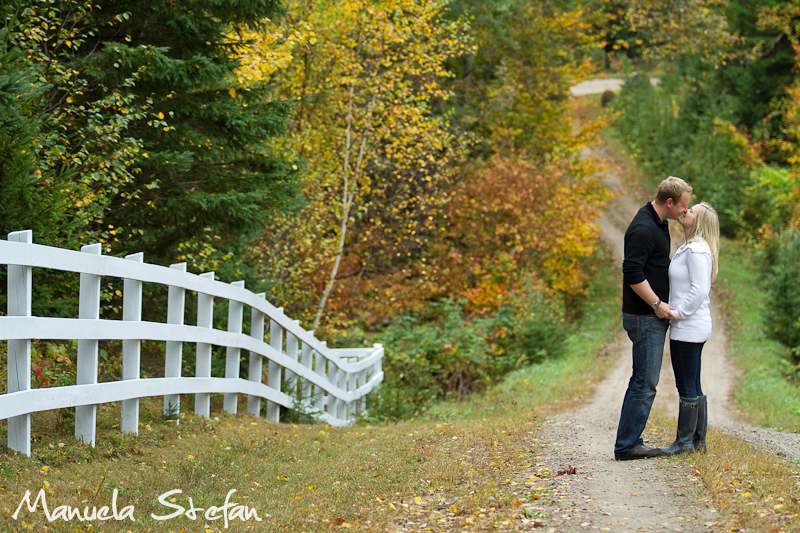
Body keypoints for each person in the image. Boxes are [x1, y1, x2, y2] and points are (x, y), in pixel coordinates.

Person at [614, 176, 692, 461]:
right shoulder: (644, 228)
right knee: (645, 381)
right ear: (669, 202)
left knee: (643, 379)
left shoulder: (657, 222)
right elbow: (632, 272)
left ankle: (630, 440)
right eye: (683, 205)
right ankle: (627, 445)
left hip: (648, 315)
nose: (686, 210)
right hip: (644, 316)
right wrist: (657, 303)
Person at [659, 202, 719, 455]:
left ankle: (684, 443)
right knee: (692, 382)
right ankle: (696, 442)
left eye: (691, 211)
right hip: (691, 326)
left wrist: (677, 314)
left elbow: (698, 291)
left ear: (699, 222)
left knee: (686, 385)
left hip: (689, 326)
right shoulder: (692, 248)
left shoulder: (696, 251)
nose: (685, 211)